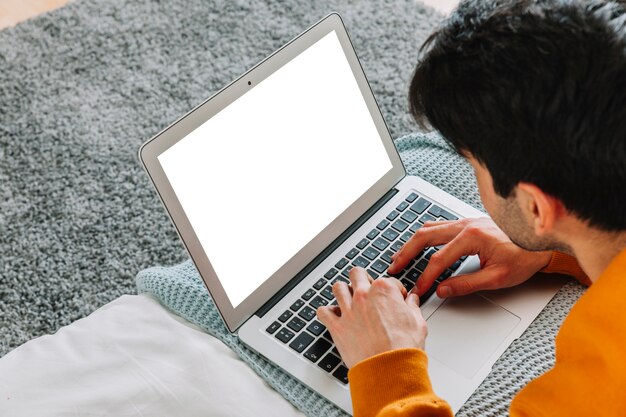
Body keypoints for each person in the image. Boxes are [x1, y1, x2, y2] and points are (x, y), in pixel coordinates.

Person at [316, 0, 626, 415]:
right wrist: (558, 244)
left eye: (472, 163)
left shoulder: (602, 384)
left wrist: (388, 368)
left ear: (537, 206)